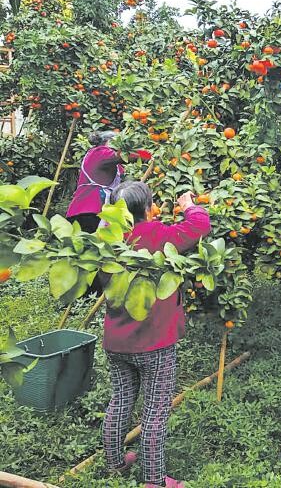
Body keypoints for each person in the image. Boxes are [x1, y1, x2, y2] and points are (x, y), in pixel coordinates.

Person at [102, 183, 210, 488]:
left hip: (118, 341)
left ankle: (114, 464)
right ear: (148, 209)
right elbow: (200, 225)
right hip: (155, 344)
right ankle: (155, 481)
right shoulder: (157, 234)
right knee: (155, 411)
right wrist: (189, 204)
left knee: (120, 400)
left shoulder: (106, 240)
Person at [66, 130, 152, 233]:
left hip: (100, 212)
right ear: (107, 142)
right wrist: (149, 154)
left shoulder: (114, 165)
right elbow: (126, 156)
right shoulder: (98, 153)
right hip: (87, 210)